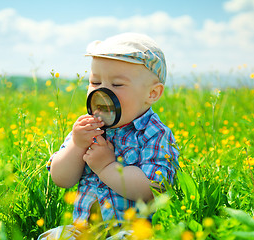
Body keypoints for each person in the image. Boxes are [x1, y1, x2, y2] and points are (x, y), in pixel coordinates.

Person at [38, 32, 179, 239]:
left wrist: (106, 167)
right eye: (95, 82)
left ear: (152, 93)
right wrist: (77, 146)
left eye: (117, 84)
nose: (102, 92)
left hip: (133, 229)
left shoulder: (154, 134)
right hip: (83, 229)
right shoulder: (87, 128)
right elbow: (61, 179)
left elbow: (153, 189)